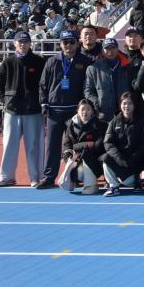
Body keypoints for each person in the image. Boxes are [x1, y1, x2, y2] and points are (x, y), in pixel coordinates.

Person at [38, 30, 91, 188]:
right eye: (65, 42)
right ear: (60, 44)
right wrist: (44, 103)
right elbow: (43, 84)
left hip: (74, 111)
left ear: (77, 43)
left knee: (75, 146)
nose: (68, 45)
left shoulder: (84, 61)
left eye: (72, 42)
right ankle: (49, 177)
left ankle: (74, 177)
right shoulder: (52, 61)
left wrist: (84, 106)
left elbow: (87, 85)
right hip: (54, 111)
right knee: (52, 146)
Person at [0, 31, 45, 187]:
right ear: (14, 43)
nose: (23, 44)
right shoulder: (8, 62)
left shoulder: (39, 61)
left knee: (34, 146)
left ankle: (36, 177)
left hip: (33, 111)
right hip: (12, 111)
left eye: (25, 41)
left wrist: (41, 102)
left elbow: (45, 84)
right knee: (9, 145)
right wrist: (5, 100)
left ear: (30, 43)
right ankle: (6, 177)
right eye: (20, 42)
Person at [100, 93, 144, 196]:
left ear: (134, 105)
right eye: (124, 103)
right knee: (106, 158)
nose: (127, 106)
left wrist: (132, 159)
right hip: (120, 161)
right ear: (120, 105)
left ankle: (137, 181)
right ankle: (113, 187)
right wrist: (119, 158)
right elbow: (108, 142)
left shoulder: (142, 121)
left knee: (127, 182)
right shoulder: (114, 122)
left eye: (130, 103)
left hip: (135, 164)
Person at [60, 100, 107, 195]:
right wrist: (68, 156)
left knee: (87, 154)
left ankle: (91, 185)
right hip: (77, 161)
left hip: (96, 163)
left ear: (93, 111)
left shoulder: (100, 125)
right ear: (77, 110)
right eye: (82, 109)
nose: (85, 112)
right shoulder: (70, 125)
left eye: (88, 109)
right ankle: (74, 180)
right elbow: (66, 144)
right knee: (77, 172)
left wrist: (76, 147)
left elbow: (98, 145)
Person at [84, 38, 132, 123]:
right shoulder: (93, 68)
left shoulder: (127, 66)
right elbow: (88, 91)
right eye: (107, 48)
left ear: (117, 49)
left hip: (125, 112)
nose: (110, 51)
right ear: (102, 51)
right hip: (103, 115)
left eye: (113, 48)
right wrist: (97, 103)